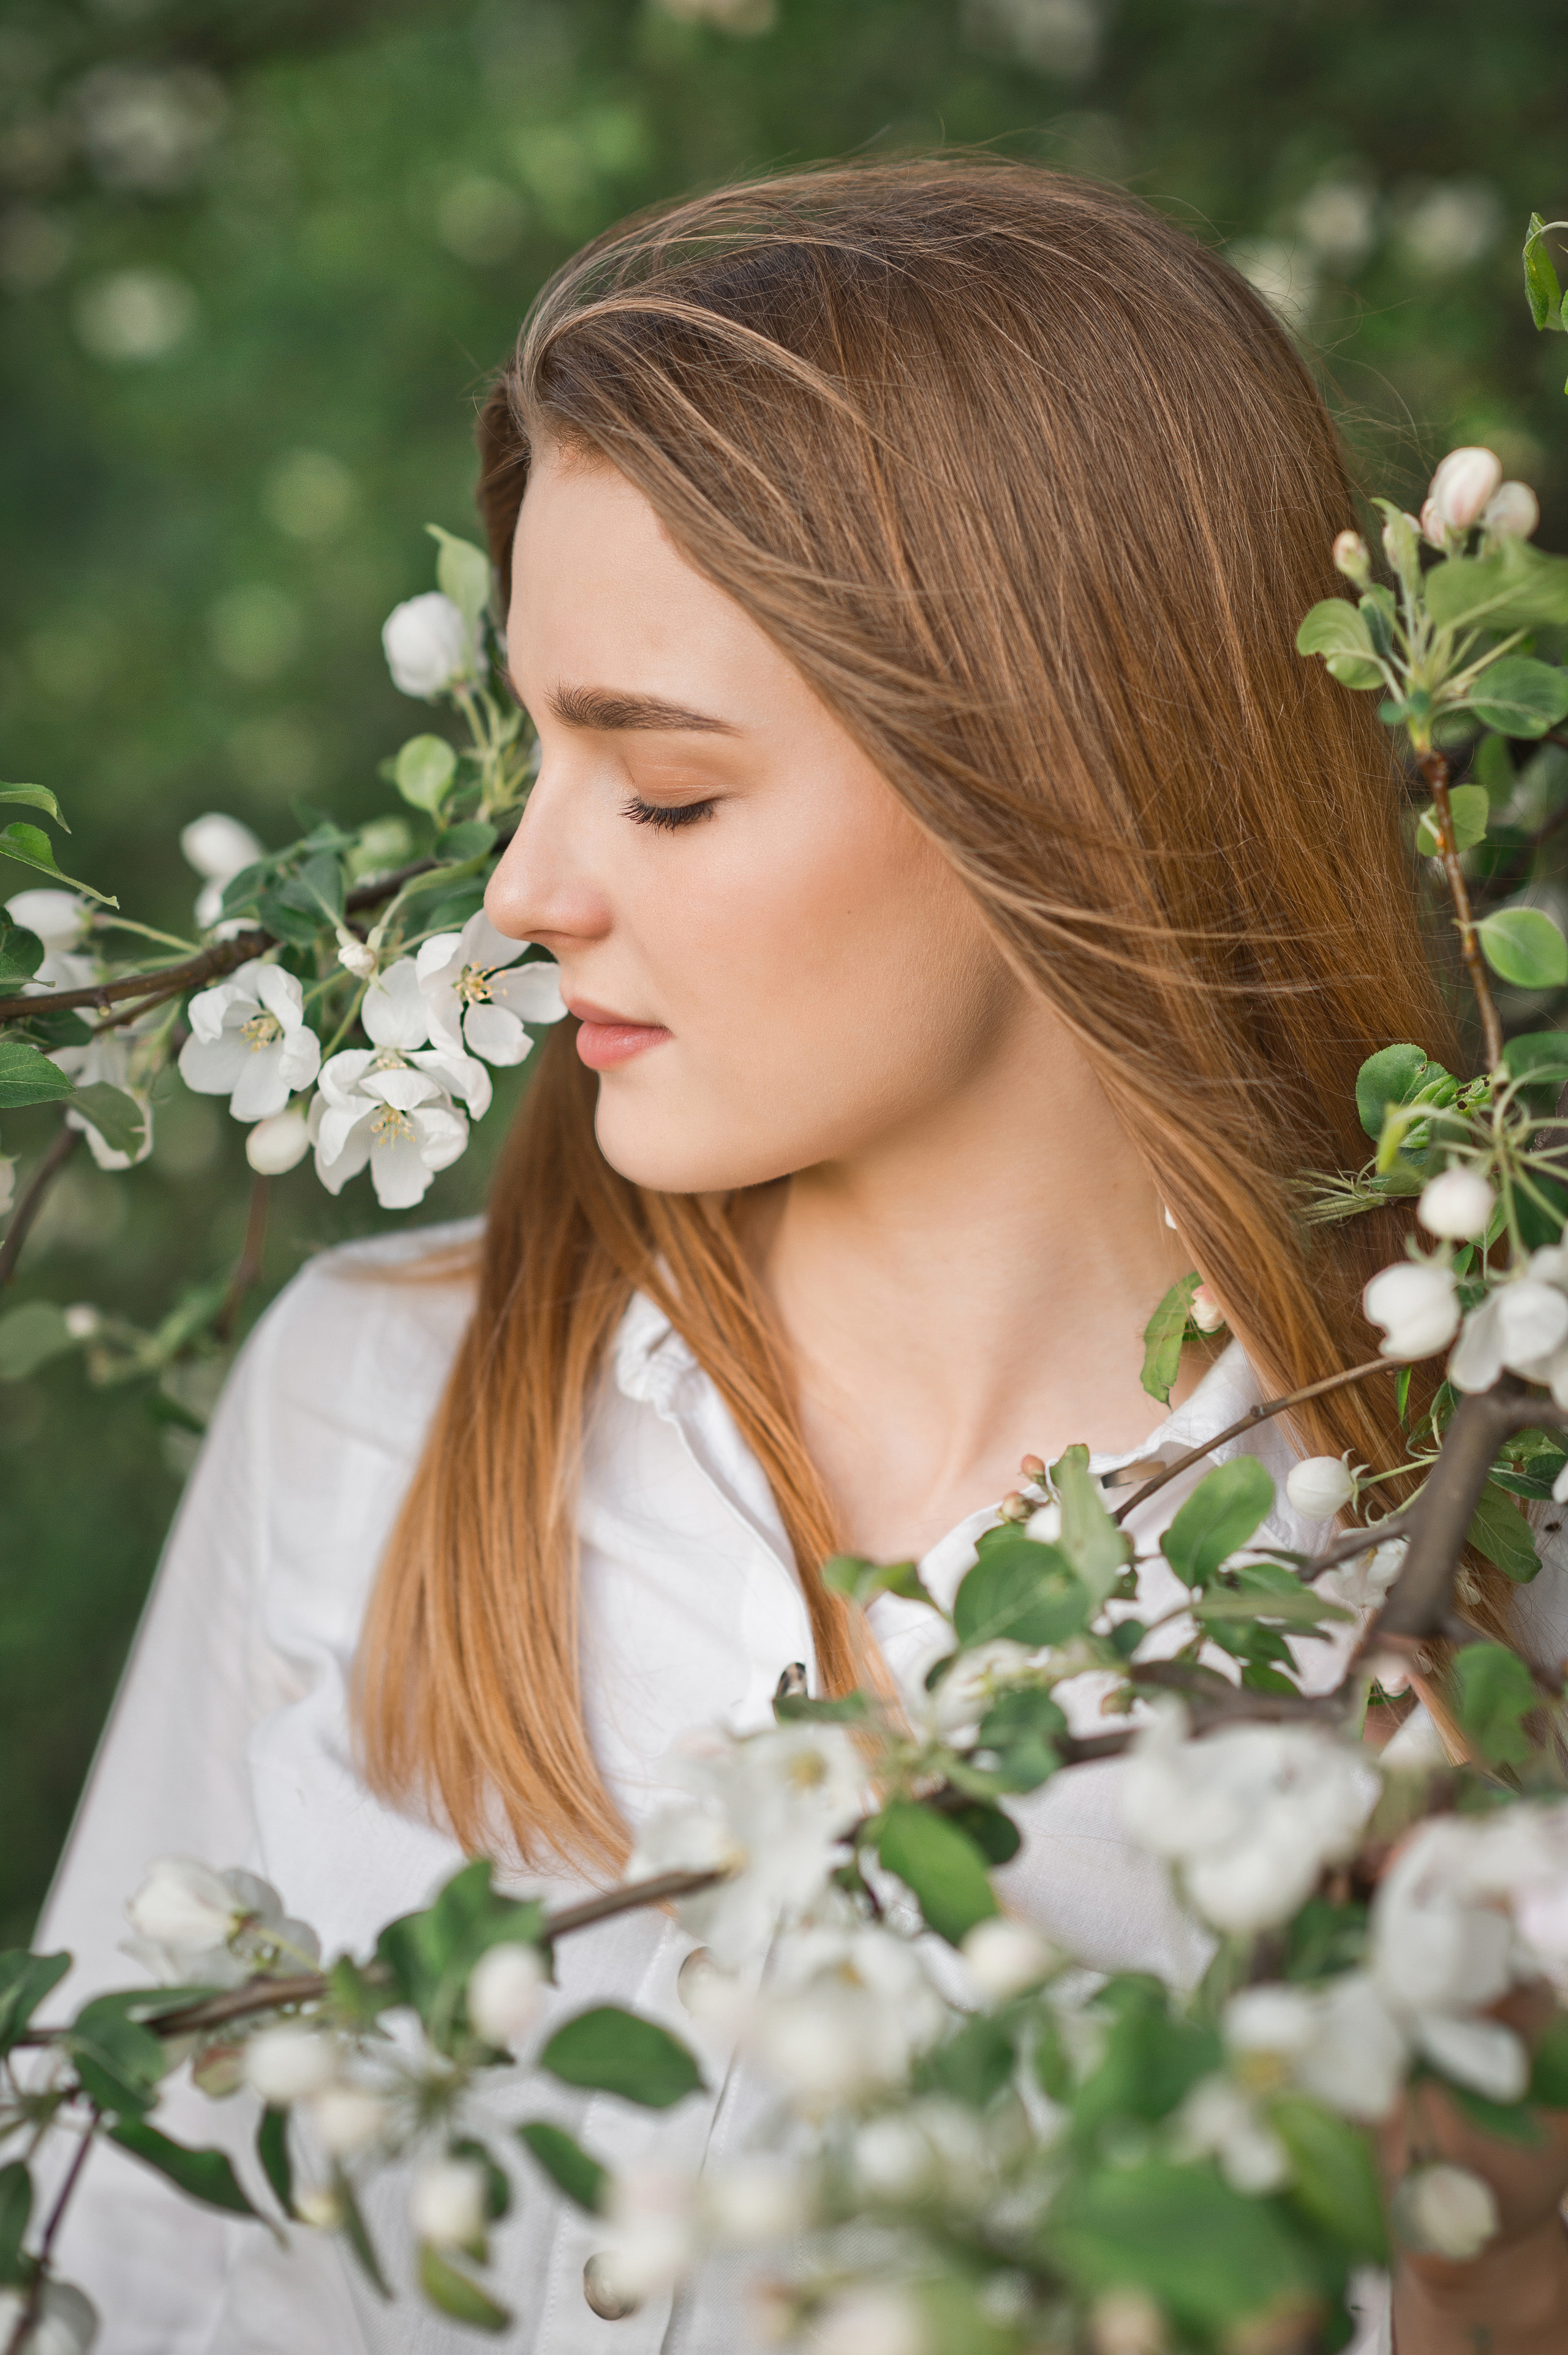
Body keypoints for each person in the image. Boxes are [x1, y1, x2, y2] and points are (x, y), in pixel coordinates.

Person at [36, 159, 1568, 2353]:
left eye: (664, 791)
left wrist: (1499, 2288)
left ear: (1063, 786)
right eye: (537, 746)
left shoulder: (1477, 1554)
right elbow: (117, 2264)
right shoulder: (370, 1405)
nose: (517, 894)